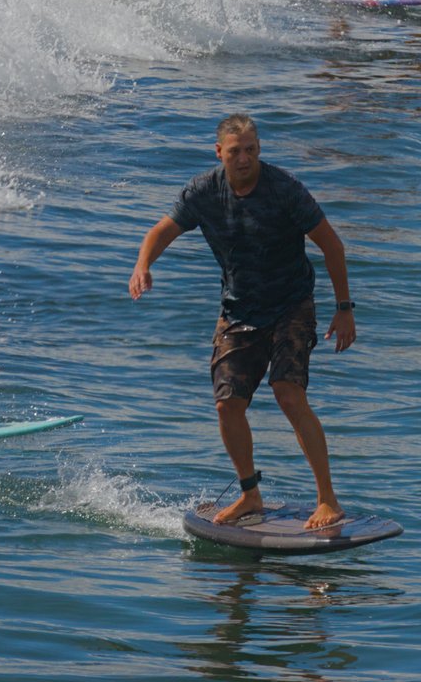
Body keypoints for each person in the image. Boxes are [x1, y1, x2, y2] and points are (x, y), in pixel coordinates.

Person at [128, 115, 356, 531]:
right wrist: (143, 264)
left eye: (252, 149)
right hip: (240, 310)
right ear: (220, 153)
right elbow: (162, 230)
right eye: (236, 151)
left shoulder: (284, 189)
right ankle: (250, 494)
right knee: (227, 403)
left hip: (291, 304)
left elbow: (331, 245)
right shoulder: (204, 191)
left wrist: (344, 308)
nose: (245, 158)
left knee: (288, 393)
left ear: (259, 149)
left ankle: (328, 499)